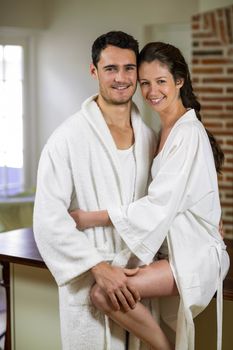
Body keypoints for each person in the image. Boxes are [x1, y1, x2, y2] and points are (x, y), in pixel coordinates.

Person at [70, 42, 230, 350]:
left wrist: (89, 217)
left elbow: (158, 203)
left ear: (179, 81)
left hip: (195, 254)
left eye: (161, 81)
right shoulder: (159, 131)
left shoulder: (188, 133)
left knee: (104, 293)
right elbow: (190, 192)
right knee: (106, 287)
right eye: (145, 83)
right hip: (170, 250)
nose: (152, 91)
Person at [33, 31, 164, 350]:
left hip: (137, 285)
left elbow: (163, 205)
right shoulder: (66, 140)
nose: (121, 78)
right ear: (94, 71)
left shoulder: (149, 138)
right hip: (92, 285)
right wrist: (98, 266)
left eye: (129, 68)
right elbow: (48, 220)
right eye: (110, 68)